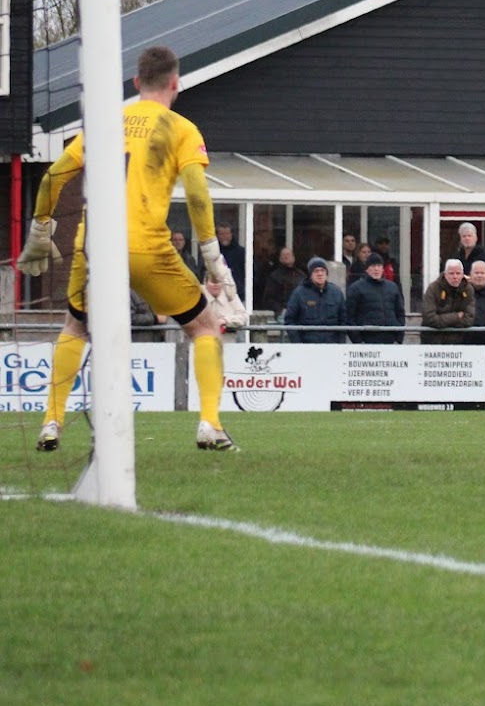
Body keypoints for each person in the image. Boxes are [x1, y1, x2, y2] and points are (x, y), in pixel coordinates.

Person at [17, 45, 242, 452]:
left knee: (75, 327)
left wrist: (39, 232)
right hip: (145, 248)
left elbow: (52, 177)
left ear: (136, 83)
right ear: (176, 83)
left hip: (94, 246)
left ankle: (52, 421)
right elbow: (195, 192)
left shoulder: (105, 123)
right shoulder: (181, 128)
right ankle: (209, 424)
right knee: (205, 327)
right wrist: (211, 254)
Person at [345, 253, 406, 344]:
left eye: (379, 265)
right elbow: (349, 316)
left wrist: (399, 338)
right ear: (367, 269)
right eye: (373, 266)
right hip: (367, 340)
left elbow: (400, 314)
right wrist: (358, 341)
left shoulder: (393, 287)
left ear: (382, 268)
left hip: (390, 339)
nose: (376, 269)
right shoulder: (356, 288)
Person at [284, 257, 348, 344]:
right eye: (316, 271)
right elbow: (289, 320)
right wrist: (298, 344)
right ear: (310, 274)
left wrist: (340, 343)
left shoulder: (336, 293)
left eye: (322, 270)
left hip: (332, 346)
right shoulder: (299, 293)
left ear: (327, 273)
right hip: (307, 346)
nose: (320, 274)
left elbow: (343, 320)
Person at [422, 259, 477, 344]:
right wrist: (456, 316)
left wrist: (443, 320)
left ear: (463, 275)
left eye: (458, 273)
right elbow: (430, 319)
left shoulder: (468, 289)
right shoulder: (432, 289)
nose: (455, 277)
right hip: (433, 341)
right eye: (451, 273)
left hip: (460, 342)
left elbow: (469, 319)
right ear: (445, 274)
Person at [203, 272, 250, 338]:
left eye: (218, 282)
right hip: (203, 340)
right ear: (205, 283)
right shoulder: (198, 297)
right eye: (212, 282)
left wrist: (225, 321)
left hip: (228, 342)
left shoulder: (231, 295)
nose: (215, 285)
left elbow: (244, 316)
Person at [261, 246, 305, 315]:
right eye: (284, 255)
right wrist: (281, 310)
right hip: (282, 313)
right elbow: (268, 299)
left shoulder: (301, 275)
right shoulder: (274, 277)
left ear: (293, 258)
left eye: (288, 254)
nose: (286, 256)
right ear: (280, 258)